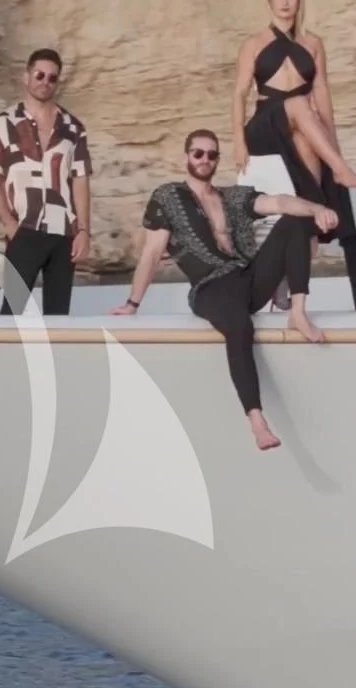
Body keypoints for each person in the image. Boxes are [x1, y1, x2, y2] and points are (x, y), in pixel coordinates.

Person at [113, 130, 334, 453]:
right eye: (198, 153)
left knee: (294, 221)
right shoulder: (169, 197)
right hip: (210, 288)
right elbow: (151, 253)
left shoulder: (232, 197)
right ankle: (257, 420)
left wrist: (315, 209)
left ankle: (298, 313)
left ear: (218, 160)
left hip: (247, 279)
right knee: (240, 326)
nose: (205, 160)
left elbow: (279, 202)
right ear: (186, 157)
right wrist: (133, 303)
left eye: (211, 154)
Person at [230, 0, 356, 310]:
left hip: (302, 130)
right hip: (265, 125)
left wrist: (332, 144)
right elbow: (238, 94)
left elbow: (322, 93)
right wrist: (237, 139)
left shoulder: (313, 43)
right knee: (296, 102)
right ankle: (340, 170)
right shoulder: (253, 43)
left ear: (299, 0)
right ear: (270, 0)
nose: (285, 2)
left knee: (309, 190)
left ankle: (288, 287)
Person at [0, 48, 91, 315]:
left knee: (58, 315)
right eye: (39, 75)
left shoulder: (73, 128)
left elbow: (80, 181)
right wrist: (9, 223)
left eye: (52, 78)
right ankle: (7, 358)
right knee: (12, 313)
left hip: (64, 232)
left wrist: (84, 232)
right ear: (26, 76)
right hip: (24, 230)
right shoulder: (4, 123)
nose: (45, 82)